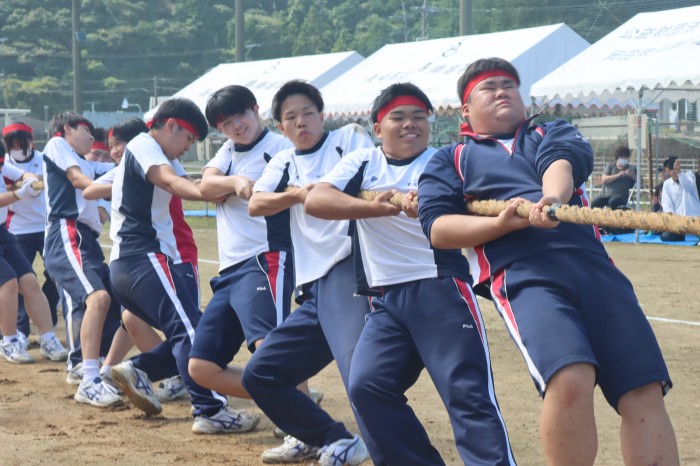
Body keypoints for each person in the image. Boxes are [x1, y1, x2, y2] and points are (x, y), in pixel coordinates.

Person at [417, 57, 679, 466]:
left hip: (596, 269)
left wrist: (552, 200)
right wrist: (500, 225)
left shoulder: (550, 130)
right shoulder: (450, 158)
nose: (502, 91)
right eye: (489, 87)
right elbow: (437, 228)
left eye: (509, 85)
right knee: (570, 377)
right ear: (465, 110)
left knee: (643, 388)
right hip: (524, 276)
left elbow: (561, 161)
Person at [305, 82, 516, 465]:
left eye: (419, 117)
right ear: (377, 128)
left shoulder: (444, 161)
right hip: (385, 301)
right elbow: (317, 200)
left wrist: (434, 203)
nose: (410, 125)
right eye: (398, 118)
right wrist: (378, 208)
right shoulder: (364, 161)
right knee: (367, 387)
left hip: (440, 291)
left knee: (466, 396)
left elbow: (476, 205)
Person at [242, 80, 375, 465]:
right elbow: (257, 204)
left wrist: (321, 192)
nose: (301, 122)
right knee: (261, 373)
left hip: (350, 269)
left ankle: (383, 447)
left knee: (359, 372)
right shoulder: (285, 161)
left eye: (308, 113)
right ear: (280, 126)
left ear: (322, 115)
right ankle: (332, 438)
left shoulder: (347, 139)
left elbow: (369, 171)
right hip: (315, 287)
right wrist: (299, 194)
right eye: (291, 117)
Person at [106, 98, 259, 434]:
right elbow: (175, 184)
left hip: (130, 265)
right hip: (143, 257)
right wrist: (232, 184)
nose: (188, 147)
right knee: (190, 331)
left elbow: (194, 184)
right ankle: (211, 410)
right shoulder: (144, 145)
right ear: (171, 125)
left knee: (193, 332)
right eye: (188, 139)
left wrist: (226, 186)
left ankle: (138, 369)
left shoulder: (162, 155)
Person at [188, 85, 304, 406]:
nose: (236, 126)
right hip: (229, 270)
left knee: (271, 347)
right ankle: (293, 400)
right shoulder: (228, 151)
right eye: (226, 123)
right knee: (201, 366)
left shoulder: (280, 147)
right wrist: (236, 182)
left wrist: (220, 188)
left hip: (265, 257)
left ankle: (300, 417)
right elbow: (206, 185)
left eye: (240, 115)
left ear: (255, 109)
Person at [82, 117, 189, 403]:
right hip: (148, 255)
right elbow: (89, 190)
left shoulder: (162, 160)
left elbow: (185, 184)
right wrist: (127, 181)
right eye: (111, 146)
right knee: (175, 324)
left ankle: (130, 371)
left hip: (178, 252)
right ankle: (134, 371)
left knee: (179, 323)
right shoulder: (127, 168)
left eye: (119, 144)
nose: (114, 151)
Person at [42, 112, 122, 406]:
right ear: (67, 129)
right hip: (67, 231)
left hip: (86, 238)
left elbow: (117, 169)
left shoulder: (87, 163)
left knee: (113, 303)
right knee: (97, 298)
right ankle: (88, 377)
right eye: (86, 131)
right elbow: (79, 180)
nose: (91, 138)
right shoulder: (57, 145)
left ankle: (94, 368)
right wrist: (117, 187)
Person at [0, 140, 68, 364]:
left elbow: (23, 174)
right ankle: (9, 342)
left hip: (3, 234)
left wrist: (30, 180)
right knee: (8, 283)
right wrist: (20, 193)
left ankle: (48, 339)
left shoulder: (3, 164)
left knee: (29, 281)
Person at [660, 156, 700, 241]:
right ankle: (682, 235)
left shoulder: (689, 175)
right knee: (665, 236)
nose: (673, 171)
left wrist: (679, 172)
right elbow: (667, 205)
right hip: (679, 223)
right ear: (667, 171)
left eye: (674, 168)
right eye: (671, 168)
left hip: (695, 220)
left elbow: (688, 186)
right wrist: (672, 221)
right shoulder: (666, 184)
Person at [591, 146, 635, 210]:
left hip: (620, 196)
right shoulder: (610, 166)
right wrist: (618, 175)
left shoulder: (631, 168)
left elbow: (639, 181)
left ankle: (619, 213)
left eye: (625, 158)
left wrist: (632, 175)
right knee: (594, 204)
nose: (624, 159)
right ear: (617, 158)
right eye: (622, 157)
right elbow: (604, 179)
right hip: (605, 195)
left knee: (612, 202)